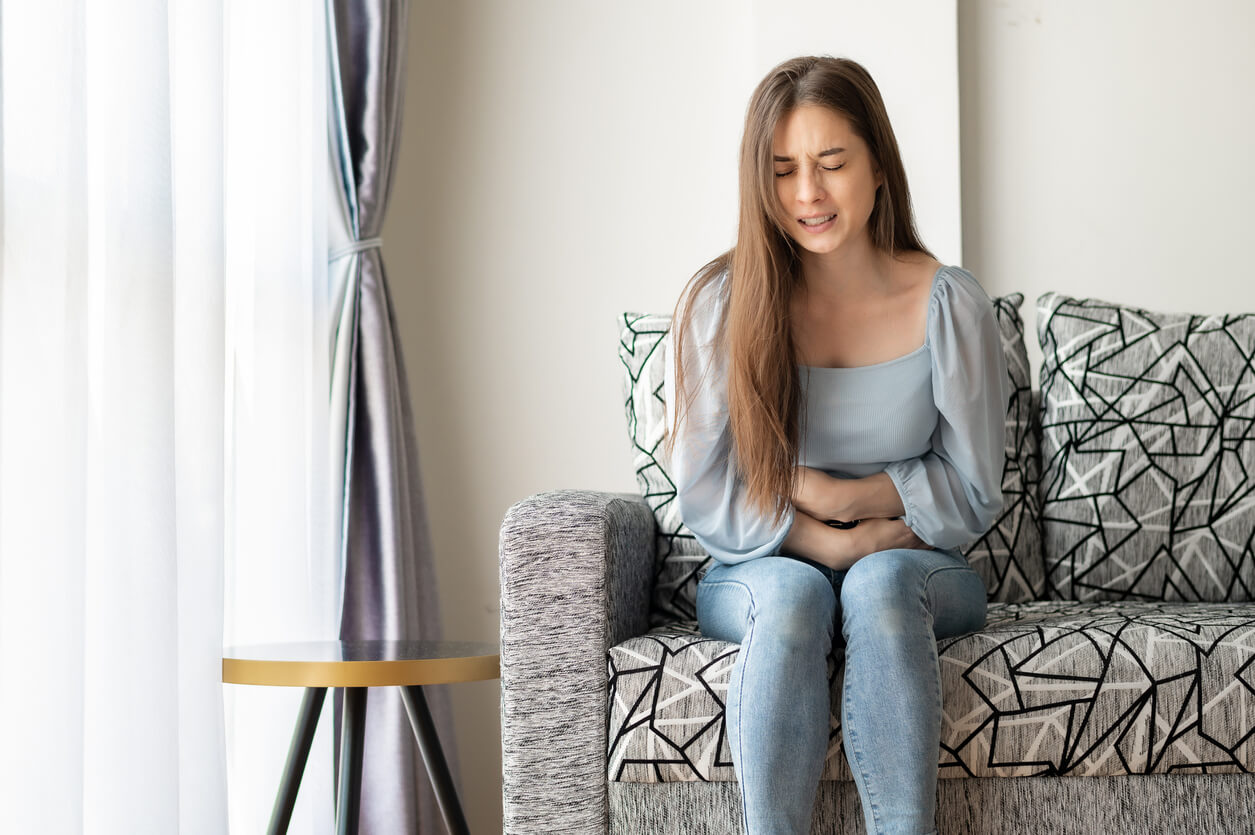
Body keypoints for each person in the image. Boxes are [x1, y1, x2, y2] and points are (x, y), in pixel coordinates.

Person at [663, 56, 1008, 835]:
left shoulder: (945, 302)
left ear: (877, 166)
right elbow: (706, 489)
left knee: (879, 584)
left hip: (918, 565)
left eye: (830, 164)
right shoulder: (722, 302)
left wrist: (846, 497)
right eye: (782, 170)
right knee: (793, 594)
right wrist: (818, 533)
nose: (807, 194)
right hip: (761, 566)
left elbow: (975, 486)